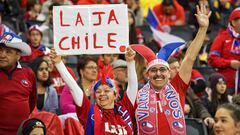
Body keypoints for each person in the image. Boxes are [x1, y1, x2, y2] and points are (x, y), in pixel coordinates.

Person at [131, 4, 211, 134]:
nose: (158, 73)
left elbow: (189, 58)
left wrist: (202, 28)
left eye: (162, 70)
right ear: (147, 74)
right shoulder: (137, 94)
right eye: (154, 70)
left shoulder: (178, 86)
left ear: (169, 73)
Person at [50, 47, 138, 134]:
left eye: (107, 91)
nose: (102, 94)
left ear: (115, 94)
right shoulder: (89, 111)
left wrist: (130, 62)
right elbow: (73, 87)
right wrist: (59, 63)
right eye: (98, 91)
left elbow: (133, 86)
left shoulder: (124, 109)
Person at [0, 32, 37, 134]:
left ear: (18, 55)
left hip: (22, 132)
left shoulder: (28, 73)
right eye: (0, 50)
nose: (2, 55)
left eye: (8, 52)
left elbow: (32, 102)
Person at [168, 57, 214, 128]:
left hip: (191, 124)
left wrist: (206, 116)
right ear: (166, 71)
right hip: (171, 126)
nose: (177, 70)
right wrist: (178, 109)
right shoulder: (161, 88)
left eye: (178, 67)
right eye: (173, 68)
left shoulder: (185, 86)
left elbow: (198, 104)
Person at [208, 8, 240, 95]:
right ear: (233, 22)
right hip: (226, 85)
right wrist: (229, 63)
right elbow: (212, 59)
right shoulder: (222, 37)